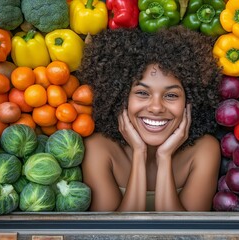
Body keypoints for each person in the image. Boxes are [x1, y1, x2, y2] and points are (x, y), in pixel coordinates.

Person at [78, 25, 222, 212]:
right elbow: (115, 234)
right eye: (142, 93)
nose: (156, 107)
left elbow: (182, 234)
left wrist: (164, 158)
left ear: (190, 101)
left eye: (171, 95)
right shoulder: (98, 149)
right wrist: (139, 154)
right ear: (121, 98)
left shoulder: (204, 150)